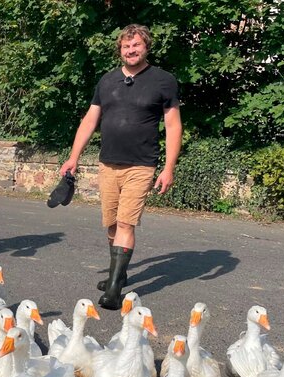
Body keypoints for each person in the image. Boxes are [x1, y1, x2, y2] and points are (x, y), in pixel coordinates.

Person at [59, 24, 182, 310]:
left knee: (126, 222)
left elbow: (173, 125)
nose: (131, 50)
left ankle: (114, 289)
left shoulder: (163, 81)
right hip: (107, 163)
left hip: (141, 164)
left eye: (136, 45)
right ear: (120, 50)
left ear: (146, 47)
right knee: (112, 225)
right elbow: (90, 120)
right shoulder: (107, 80)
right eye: (126, 47)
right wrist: (73, 156)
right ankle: (120, 271)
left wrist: (168, 167)